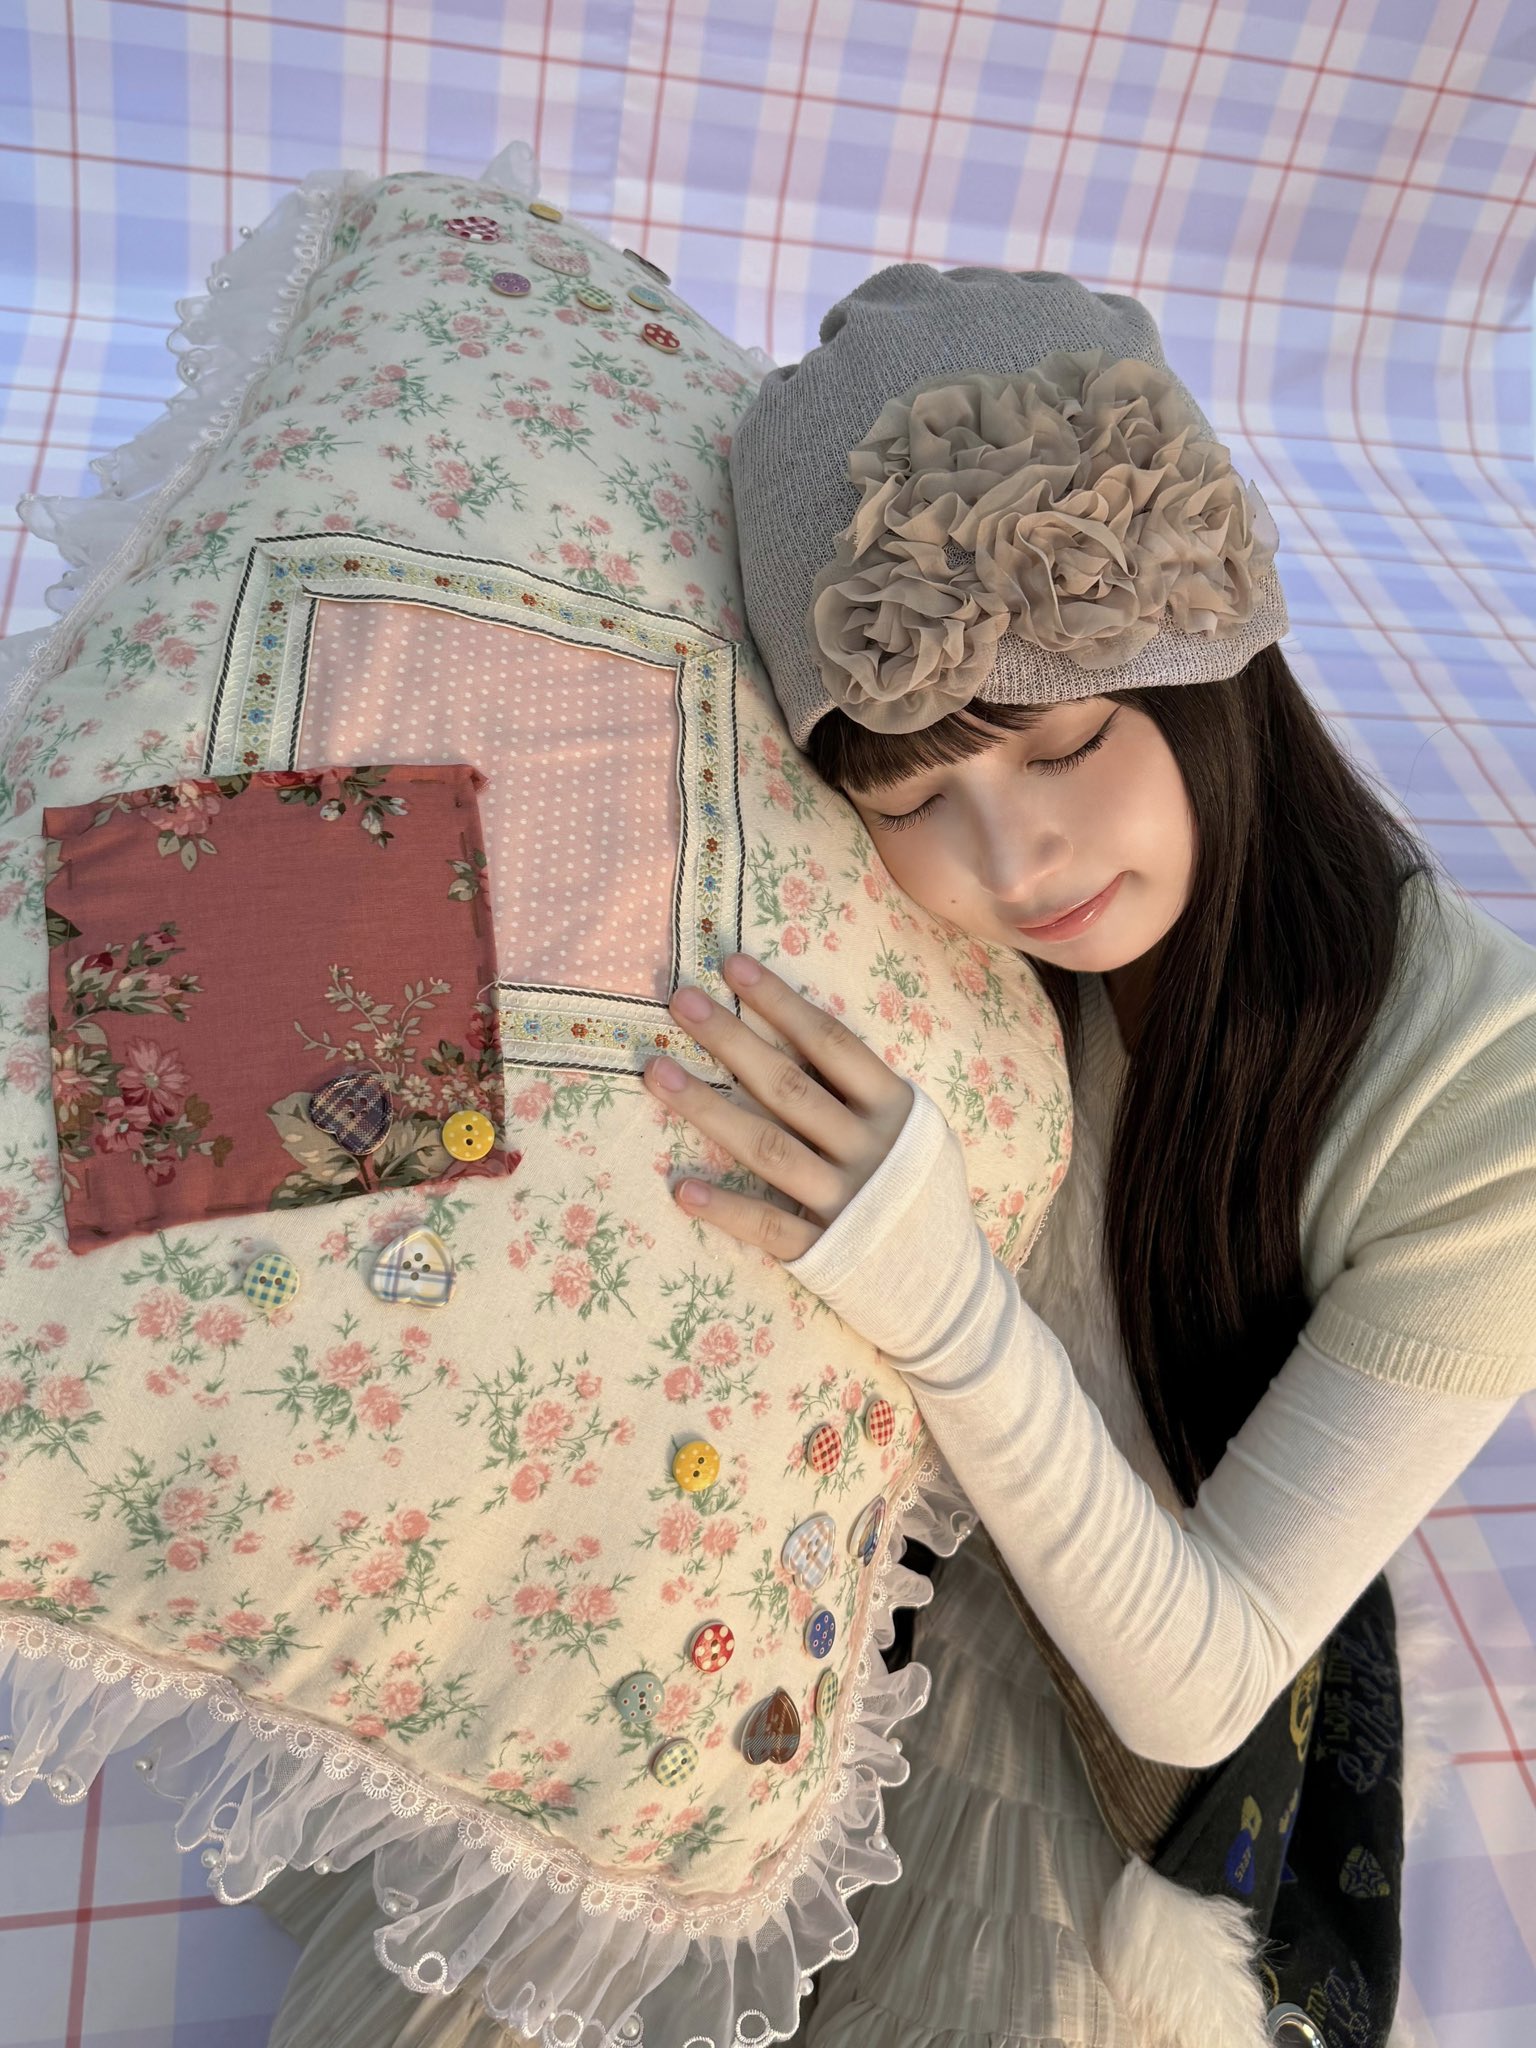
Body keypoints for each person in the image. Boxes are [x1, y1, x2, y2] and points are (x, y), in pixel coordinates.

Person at [621, 263, 1536, 2048]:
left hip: (1167, 1644)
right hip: (882, 1541)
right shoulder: (930, 949)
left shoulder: (1484, 1105)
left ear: (1215, 667)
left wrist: (939, 1297)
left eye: (1063, 740)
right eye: (911, 801)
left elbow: (1199, 1688)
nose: (1013, 863)